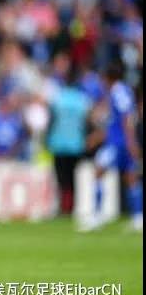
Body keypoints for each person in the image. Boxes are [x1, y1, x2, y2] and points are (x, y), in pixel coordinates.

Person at [81, 63, 142, 232]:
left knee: (98, 171)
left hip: (117, 143)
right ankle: (138, 217)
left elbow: (126, 119)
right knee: (131, 178)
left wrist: (131, 142)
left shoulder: (118, 92)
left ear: (108, 78)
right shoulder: (124, 91)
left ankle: (96, 216)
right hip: (120, 141)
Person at [45, 67, 92, 216]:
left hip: (58, 142)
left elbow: (51, 120)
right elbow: (87, 123)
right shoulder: (82, 99)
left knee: (61, 178)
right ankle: (71, 207)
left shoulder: (57, 97)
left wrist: (47, 138)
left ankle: (63, 207)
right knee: (72, 178)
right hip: (76, 144)